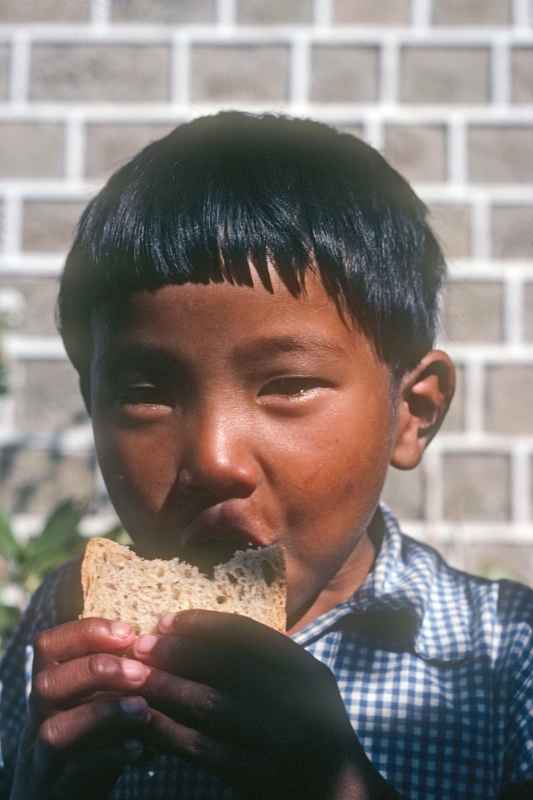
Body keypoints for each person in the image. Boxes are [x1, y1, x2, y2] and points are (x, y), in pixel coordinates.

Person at [0, 111, 531, 800]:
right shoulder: (63, 623)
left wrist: (337, 785)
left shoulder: (505, 657)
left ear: (412, 413)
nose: (215, 459)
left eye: (286, 384)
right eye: (144, 391)